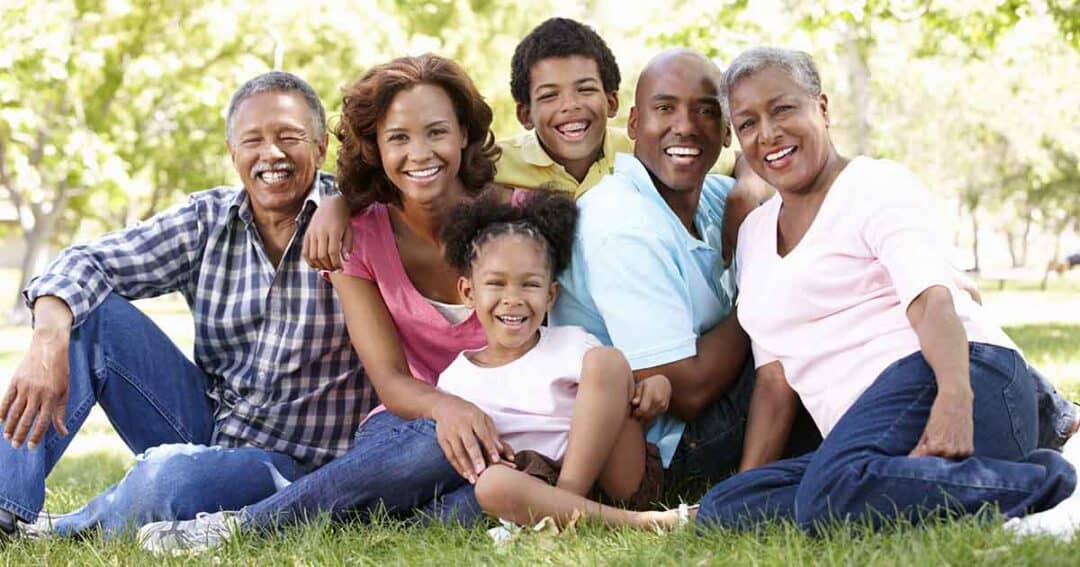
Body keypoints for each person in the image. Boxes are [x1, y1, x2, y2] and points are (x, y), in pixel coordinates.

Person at [138, 53, 513, 554]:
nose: (419, 152)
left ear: (463, 134)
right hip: (414, 422)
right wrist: (449, 409)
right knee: (433, 447)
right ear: (377, 147)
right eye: (398, 137)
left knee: (475, 500)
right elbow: (393, 381)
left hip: (514, 421)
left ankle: (340, 514)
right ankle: (239, 529)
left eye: (436, 132)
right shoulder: (357, 234)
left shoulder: (518, 219)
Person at [696, 46, 1076, 532]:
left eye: (783, 109)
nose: (767, 134)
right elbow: (774, 381)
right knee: (722, 508)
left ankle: (1049, 483)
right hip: (865, 436)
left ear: (823, 107)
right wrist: (750, 483)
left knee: (831, 489)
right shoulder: (753, 236)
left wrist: (954, 400)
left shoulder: (874, 186)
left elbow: (931, 300)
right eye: (747, 123)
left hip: (956, 375)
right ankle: (878, 485)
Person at [0, 71, 373, 539]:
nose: (270, 154)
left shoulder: (358, 222)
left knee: (165, 479)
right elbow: (86, 262)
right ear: (232, 151)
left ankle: (69, 526)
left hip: (293, 467)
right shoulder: (207, 220)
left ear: (319, 149)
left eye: (289, 137)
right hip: (210, 428)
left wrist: (344, 201)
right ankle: (2, 506)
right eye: (252, 140)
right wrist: (46, 343)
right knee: (85, 314)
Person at [551, 49, 805, 494]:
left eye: (706, 111)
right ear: (632, 125)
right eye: (664, 108)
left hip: (700, 416)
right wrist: (765, 295)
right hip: (664, 450)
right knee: (814, 331)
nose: (685, 126)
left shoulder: (710, 196)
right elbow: (686, 391)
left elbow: (776, 171)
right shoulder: (621, 223)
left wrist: (748, 185)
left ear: (727, 132)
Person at [438, 192, 676, 528]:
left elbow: (622, 398)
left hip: (612, 475)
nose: (513, 299)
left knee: (606, 361)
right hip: (533, 486)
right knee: (491, 485)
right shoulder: (455, 381)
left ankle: (569, 503)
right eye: (496, 284)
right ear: (468, 293)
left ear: (551, 295)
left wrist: (656, 384)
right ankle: (637, 522)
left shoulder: (572, 344)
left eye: (530, 285)